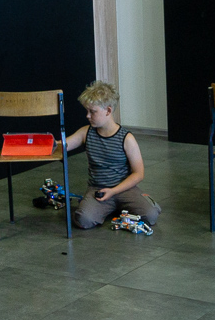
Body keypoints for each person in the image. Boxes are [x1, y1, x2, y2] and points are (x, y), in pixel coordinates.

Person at [66, 81, 162, 229]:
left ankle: (127, 204)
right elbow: (63, 145)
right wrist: (45, 143)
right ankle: (105, 207)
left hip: (124, 189)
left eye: (92, 111)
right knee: (84, 220)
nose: (87, 115)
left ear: (108, 111)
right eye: (87, 111)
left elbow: (139, 174)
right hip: (98, 189)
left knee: (151, 215)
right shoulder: (86, 132)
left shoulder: (127, 138)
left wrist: (113, 191)